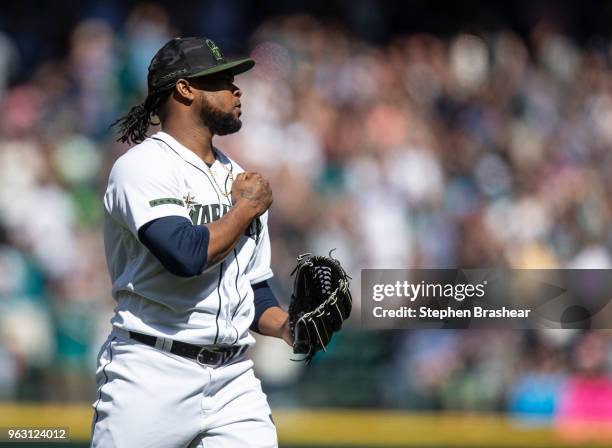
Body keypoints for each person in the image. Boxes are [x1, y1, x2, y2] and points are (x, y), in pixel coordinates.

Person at [92, 36, 290, 448]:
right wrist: (244, 209)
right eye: (222, 80)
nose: (237, 90)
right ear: (185, 88)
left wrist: (290, 326)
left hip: (234, 379)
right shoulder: (142, 166)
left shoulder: (238, 178)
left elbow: (250, 290)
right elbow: (184, 254)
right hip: (150, 372)